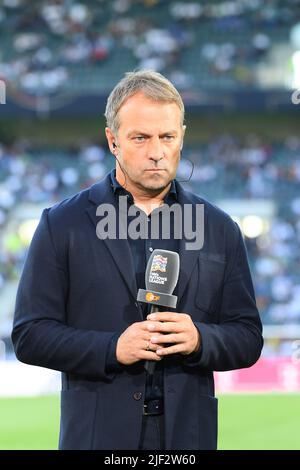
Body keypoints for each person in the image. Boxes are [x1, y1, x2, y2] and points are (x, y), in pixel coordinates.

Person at [12, 70, 263, 450]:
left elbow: (247, 337)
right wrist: (112, 348)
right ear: (113, 140)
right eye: (140, 137)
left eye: (168, 137)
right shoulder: (61, 224)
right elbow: (30, 335)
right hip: (97, 438)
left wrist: (199, 338)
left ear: (182, 136)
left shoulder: (219, 227)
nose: (157, 151)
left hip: (187, 438)